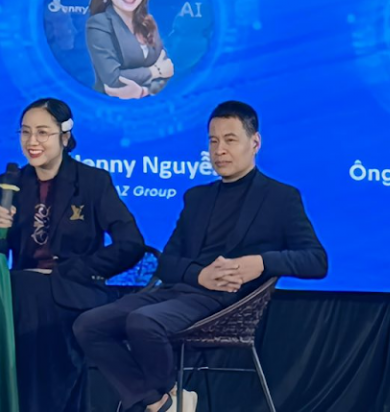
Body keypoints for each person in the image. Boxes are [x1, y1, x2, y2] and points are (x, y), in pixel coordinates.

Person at [74, 100, 327, 412]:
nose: (219, 150)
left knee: (143, 322)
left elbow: (316, 260)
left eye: (230, 140)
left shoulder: (280, 197)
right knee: (88, 325)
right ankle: (162, 401)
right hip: (176, 291)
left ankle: (165, 402)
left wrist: (261, 262)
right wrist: (199, 274)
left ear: (255, 143)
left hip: (223, 302)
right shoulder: (197, 198)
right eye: (213, 141)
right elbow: (167, 263)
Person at [0, 98, 146, 412]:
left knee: (30, 296)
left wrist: (80, 269)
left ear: (64, 136)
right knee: (16, 294)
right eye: (25, 132)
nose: (32, 141)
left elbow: (131, 243)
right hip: (23, 291)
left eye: (42, 133)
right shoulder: (12, 183)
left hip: (75, 290)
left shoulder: (92, 181)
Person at [84, 0, 174, 99]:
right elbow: (112, 78)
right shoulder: (99, 24)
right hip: (109, 104)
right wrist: (154, 71)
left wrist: (143, 92)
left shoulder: (148, 22)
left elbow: (167, 69)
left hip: (149, 104)